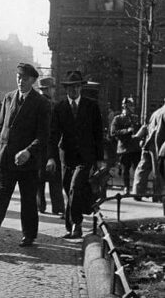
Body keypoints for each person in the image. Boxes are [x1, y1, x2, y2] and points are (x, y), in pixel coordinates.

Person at [0, 63, 50, 251]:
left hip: (27, 163)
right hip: (5, 159)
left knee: (28, 201)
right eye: (18, 77)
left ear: (33, 80)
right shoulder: (8, 98)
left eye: (24, 79)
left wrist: (28, 151)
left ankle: (29, 234)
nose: (20, 81)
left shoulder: (42, 104)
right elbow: (0, 129)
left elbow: (44, 135)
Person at [47, 71, 105, 239]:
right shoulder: (60, 108)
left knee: (75, 187)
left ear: (81, 88)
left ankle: (76, 225)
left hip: (86, 157)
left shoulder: (91, 106)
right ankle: (70, 225)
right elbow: (53, 135)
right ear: (66, 89)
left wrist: (100, 159)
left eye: (77, 86)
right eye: (71, 87)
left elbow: (98, 134)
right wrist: (51, 157)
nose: (74, 90)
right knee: (69, 190)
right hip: (67, 158)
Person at [36, 76, 65, 215]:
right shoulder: (52, 106)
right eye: (53, 88)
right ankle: (58, 207)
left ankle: (40, 205)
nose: (54, 90)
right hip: (50, 148)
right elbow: (50, 132)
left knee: (39, 180)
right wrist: (51, 156)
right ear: (48, 89)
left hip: (36, 149)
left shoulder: (33, 104)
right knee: (55, 180)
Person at [132, 99, 165, 201]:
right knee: (158, 171)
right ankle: (157, 195)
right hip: (157, 144)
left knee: (142, 168)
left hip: (148, 142)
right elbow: (160, 133)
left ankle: (137, 192)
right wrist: (160, 151)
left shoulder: (157, 112)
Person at [110, 97, 141, 195]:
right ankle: (126, 187)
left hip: (135, 148)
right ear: (124, 106)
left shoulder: (135, 118)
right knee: (125, 170)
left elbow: (139, 130)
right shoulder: (118, 118)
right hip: (124, 148)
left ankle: (136, 189)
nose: (132, 108)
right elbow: (113, 132)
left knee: (137, 169)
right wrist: (126, 131)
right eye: (130, 106)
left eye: (132, 106)